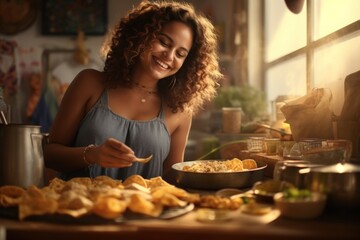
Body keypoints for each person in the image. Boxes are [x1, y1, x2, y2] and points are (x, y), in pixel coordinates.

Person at [43, 0, 223, 182]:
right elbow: (49, 154)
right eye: (164, 42)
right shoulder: (89, 83)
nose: (169, 56)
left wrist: (210, 173)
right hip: (80, 206)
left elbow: (171, 179)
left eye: (180, 54)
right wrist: (91, 155)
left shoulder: (179, 111)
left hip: (144, 209)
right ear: (141, 35)